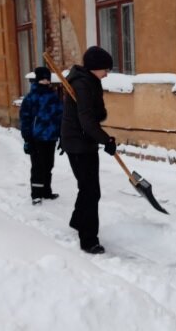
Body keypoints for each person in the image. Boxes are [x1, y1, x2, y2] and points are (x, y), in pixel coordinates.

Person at [60, 46, 117, 254]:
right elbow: (86, 121)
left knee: (87, 188)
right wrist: (107, 140)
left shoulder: (91, 82)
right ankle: (89, 240)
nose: (107, 73)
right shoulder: (82, 84)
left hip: (82, 141)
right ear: (95, 67)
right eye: (105, 69)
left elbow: (96, 114)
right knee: (91, 191)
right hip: (79, 143)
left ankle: (78, 221)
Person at [20, 66, 63, 205]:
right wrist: (27, 139)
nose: (45, 81)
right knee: (38, 166)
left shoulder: (54, 96)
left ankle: (46, 191)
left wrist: (61, 135)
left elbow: (60, 116)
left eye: (47, 78)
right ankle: (36, 194)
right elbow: (25, 119)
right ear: (37, 79)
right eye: (43, 78)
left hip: (51, 137)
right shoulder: (31, 98)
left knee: (49, 165)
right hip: (36, 138)